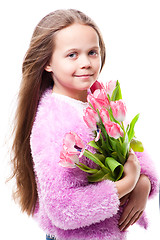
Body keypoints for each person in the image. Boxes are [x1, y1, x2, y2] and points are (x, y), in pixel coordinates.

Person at [11, 9, 158, 240]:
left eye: (92, 52)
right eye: (72, 55)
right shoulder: (52, 125)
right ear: (47, 62)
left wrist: (143, 183)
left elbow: (128, 146)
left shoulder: (98, 98)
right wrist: (127, 183)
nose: (86, 63)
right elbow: (63, 208)